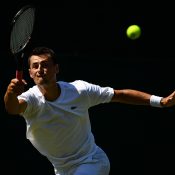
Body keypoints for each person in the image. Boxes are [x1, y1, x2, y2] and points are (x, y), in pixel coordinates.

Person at [4, 46, 175, 175]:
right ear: (30, 73)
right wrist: (10, 93)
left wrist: (161, 101)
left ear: (57, 68)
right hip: (61, 170)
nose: (40, 69)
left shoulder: (80, 91)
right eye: (35, 66)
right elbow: (13, 108)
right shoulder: (30, 98)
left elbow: (119, 94)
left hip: (92, 161)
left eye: (45, 64)